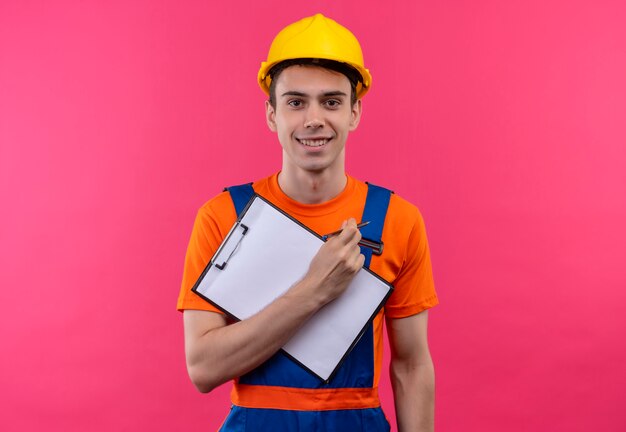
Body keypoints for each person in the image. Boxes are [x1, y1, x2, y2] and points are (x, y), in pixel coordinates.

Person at [177, 13, 439, 432]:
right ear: (271, 114)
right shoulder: (223, 216)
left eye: (331, 102)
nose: (313, 119)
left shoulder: (398, 220)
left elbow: (410, 366)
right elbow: (203, 368)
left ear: (354, 113)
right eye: (295, 102)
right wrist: (315, 290)